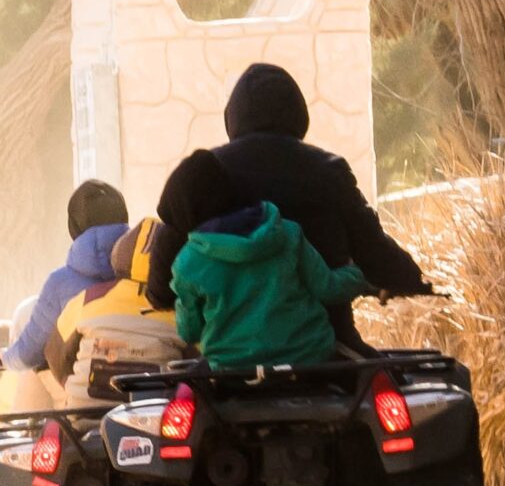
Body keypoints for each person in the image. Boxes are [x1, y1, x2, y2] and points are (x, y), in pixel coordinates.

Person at [148, 64, 430, 350]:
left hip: (228, 359)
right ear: (299, 114)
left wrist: (168, 296)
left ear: (232, 118)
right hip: (325, 346)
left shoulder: (205, 173)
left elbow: (163, 272)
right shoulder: (329, 170)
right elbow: (373, 249)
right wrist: (415, 281)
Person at [170, 192, 373, 370]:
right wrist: (361, 275)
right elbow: (328, 288)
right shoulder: (287, 232)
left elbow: (189, 333)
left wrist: (184, 304)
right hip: (309, 359)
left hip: (232, 371)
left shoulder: (187, 262)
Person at [5, 180, 133, 370]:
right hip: (147, 389)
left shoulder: (59, 284)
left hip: (85, 394)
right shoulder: (148, 270)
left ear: (73, 225)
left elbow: (28, 354)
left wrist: (5, 358)